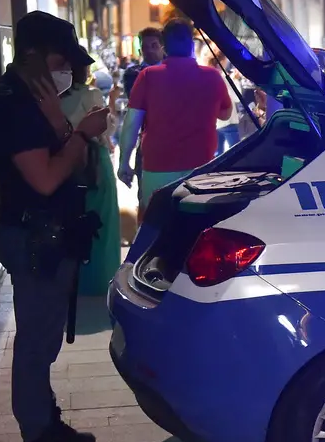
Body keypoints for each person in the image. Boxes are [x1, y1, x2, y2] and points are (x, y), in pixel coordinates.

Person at [0, 11, 108, 442]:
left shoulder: (37, 102)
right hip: (34, 239)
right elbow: (46, 176)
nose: (67, 72)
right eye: (60, 60)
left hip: (51, 237)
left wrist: (63, 126)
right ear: (33, 55)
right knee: (35, 346)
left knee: (45, 341)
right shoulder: (13, 103)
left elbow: (74, 170)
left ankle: (47, 425)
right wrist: (78, 133)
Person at [117, 18, 234, 209]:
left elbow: (131, 124)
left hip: (157, 168)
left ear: (164, 46)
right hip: (201, 168)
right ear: (191, 44)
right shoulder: (212, 76)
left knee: (157, 227)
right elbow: (225, 114)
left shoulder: (148, 76)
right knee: (195, 230)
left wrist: (124, 164)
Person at [62, 70, 123, 295]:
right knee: (102, 223)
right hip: (95, 161)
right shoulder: (91, 94)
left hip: (66, 160)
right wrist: (113, 101)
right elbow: (108, 127)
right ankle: (102, 278)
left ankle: (77, 279)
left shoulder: (50, 97)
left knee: (76, 219)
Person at [122, 26, 163, 98]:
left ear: (162, 48)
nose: (150, 50)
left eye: (154, 46)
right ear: (140, 51)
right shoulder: (132, 74)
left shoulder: (171, 70)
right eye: (145, 47)